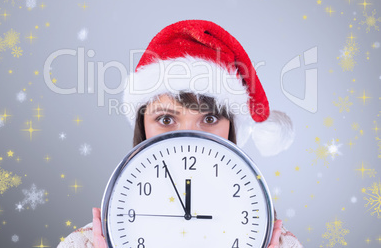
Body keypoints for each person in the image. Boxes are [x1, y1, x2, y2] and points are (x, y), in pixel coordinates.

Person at [57, 20, 302, 248]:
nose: (188, 139)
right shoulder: (84, 244)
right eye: (165, 119)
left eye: (209, 118)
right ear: (143, 125)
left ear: (232, 127)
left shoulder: (281, 244)